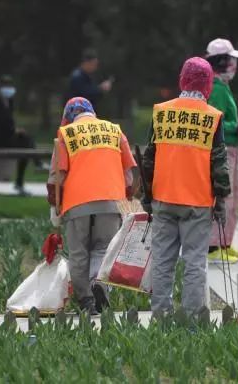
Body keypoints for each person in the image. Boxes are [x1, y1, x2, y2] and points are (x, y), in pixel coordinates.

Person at [141, 57, 230, 315]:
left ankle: (161, 314)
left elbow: (149, 158)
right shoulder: (212, 117)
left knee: (162, 261)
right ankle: (191, 319)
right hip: (198, 201)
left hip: (164, 198)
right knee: (194, 262)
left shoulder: (162, 111)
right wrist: (221, 200)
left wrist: (147, 196)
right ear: (208, 84)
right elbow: (219, 163)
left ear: (183, 79)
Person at [47, 97, 136, 314]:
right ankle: (99, 282)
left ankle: (87, 301)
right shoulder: (115, 131)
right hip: (111, 201)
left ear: (69, 116)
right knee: (103, 249)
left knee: (78, 254)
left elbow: (55, 179)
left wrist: (55, 206)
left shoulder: (66, 134)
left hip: (77, 204)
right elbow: (130, 176)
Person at [205, 38, 238, 264]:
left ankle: (225, 243)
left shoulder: (222, 86)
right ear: (221, 61)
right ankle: (214, 246)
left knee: (235, 198)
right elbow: (214, 120)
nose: (234, 64)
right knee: (225, 197)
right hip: (223, 149)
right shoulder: (215, 88)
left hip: (232, 147)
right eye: (231, 59)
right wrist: (237, 127)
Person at [0, 78, 37, 196]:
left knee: (26, 139)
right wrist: (14, 131)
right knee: (25, 141)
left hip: (2, 137)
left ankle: (34, 165)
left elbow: (7, 123)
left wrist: (14, 130)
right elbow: (1, 124)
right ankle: (29, 172)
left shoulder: (7, 102)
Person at [67, 49, 113, 114]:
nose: (95, 67)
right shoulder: (77, 77)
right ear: (87, 63)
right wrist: (101, 89)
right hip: (77, 114)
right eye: (94, 64)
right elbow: (86, 94)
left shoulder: (87, 76)